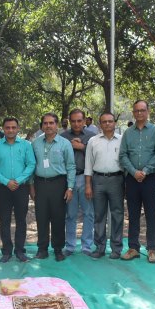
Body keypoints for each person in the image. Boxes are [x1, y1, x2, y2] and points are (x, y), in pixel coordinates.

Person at [119, 100, 155, 263]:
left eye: (142, 110)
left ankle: (152, 250)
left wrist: (144, 171)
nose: (139, 113)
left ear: (148, 111)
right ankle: (133, 248)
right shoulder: (127, 133)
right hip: (131, 179)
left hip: (150, 178)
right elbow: (122, 155)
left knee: (151, 214)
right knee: (133, 214)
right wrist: (134, 172)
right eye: (136, 111)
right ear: (133, 112)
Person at [0, 117, 35, 263]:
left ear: (18, 128)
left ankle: (20, 251)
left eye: (13, 127)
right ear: (3, 128)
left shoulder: (26, 145)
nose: (10, 130)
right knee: (5, 220)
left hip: (21, 188)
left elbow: (31, 164)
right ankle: (7, 251)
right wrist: (6, 181)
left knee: (21, 220)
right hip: (3, 188)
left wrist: (19, 181)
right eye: (7, 127)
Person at [30, 113, 74, 261]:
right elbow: (31, 166)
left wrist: (70, 187)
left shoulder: (64, 143)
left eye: (51, 123)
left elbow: (71, 166)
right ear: (42, 125)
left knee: (58, 217)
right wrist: (31, 186)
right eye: (45, 123)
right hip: (40, 184)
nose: (48, 126)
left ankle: (58, 249)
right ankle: (42, 249)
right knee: (41, 217)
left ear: (57, 125)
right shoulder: (35, 144)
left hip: (59, 184)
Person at [86, 112, 125, 259]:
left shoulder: (122, 140)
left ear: (114, 123)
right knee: (99, 215)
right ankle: (99, 247)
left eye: (110, 121)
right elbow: (88, 164)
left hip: (117, 180)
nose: (107, 124)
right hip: (98, 180)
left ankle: (116, 248)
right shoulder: (93, 141)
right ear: (100, 124)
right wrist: (88, 185)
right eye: (104, 122)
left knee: (117, 214)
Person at [61, 109, 94, 255]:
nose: (76, 124)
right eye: (73, 121)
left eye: (79, 120)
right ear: (69, 121)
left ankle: (86, 245)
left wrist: (82, 147)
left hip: (86, 178)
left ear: (84, 120)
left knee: (88, 213)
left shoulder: (92, 137)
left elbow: (96, 156)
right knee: (70, 214)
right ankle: (70, 245)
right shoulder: (63, 137)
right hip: (69, 179)